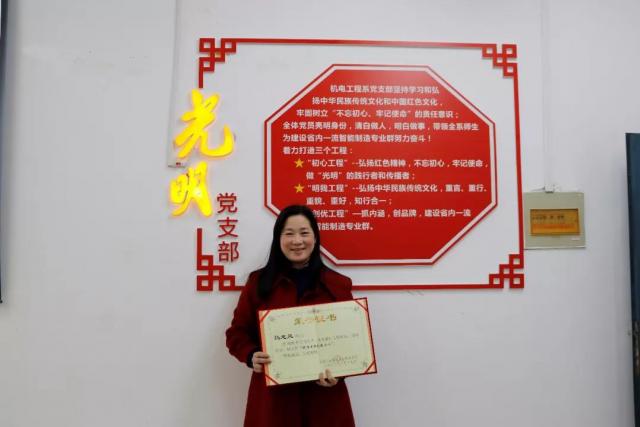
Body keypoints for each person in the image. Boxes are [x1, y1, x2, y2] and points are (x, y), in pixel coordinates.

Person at [226, 205, 356, 427]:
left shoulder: (337, 285)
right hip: (274, 402)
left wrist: (340, 373)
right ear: (278, 239)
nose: (297, 241)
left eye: (304, 233)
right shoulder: (258, 283)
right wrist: (251, 355)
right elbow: (236, 333)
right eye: (289, 233)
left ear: (315, 238)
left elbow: (351, 341)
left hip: (324, 402)